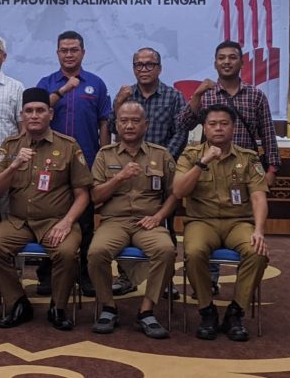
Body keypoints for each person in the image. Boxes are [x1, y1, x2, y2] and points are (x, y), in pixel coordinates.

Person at [0, 87, 92, 331]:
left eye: (40, 110)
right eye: (29, 111)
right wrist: (14, 166)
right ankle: (18, 302)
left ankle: (59, 307)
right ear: (22, 115)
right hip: (18, 221)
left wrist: (67, 222)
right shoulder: (10, 145)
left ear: (50, 114)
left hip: (56, 220)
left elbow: (83, 194)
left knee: (66, 253)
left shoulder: (68, 146)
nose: (34, 115)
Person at [174, 104, 269, 342]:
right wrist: (203, 162)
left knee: (256, 252)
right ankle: (207, 311)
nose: (218, 128)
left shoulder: (247, 158)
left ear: (233, 128)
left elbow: (258, 197)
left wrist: (259, 231)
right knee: (193, 252)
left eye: (224, 124)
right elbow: (178, 191)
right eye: (212, 124)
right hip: (201, 221)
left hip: (238, 222)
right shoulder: (190, 155)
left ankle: (236, 313)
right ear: (204, 128)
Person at [87, 101, 177, 338]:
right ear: (116, 125)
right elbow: (95, 197)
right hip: (114, 221)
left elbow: (174, 195)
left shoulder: (161, 154)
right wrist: (118, 178)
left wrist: (158, 217)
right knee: (96, 252)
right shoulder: (104, 155)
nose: (129, 125)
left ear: (145, 125)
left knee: (166, 250)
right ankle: (108, 307)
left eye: (135, 121)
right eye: (124, 121)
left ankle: (147, 311)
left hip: (148, 221)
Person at [35, 30, 111, 297]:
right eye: (64, 50)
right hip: (49, 164)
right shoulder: (46, 83)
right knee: (47, 217)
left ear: (83, 53)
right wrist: (63, 89)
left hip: (87, 160)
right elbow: (39, 110)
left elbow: (105, 120)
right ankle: (46, 276)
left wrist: (103, 154)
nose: (69, 54)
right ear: (57, 53)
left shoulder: (96, 84)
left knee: (87, 222)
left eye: (74, 49)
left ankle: (86, 275)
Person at [109, 47, 187, 297]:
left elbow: (181, 131)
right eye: (139, 65)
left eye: (149, 64)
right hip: (128, 167)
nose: (144, 69)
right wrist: (118, 104)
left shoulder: (173, 96)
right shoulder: (126, 95)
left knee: (164, 224)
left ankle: (166, 280)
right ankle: (126, 276)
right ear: (133, 68)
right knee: (126, 217)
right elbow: (114, 127)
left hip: (162, 169)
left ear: (159, 68)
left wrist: (163, 159)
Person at [177, 40, 281, 185]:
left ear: (242, 63)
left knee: (246, 207)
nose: (226, 62)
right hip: (210, 168)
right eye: (221, 58)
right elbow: (183, 124)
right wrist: (196, 95)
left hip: (246, 168)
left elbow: (268, 135)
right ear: (215, 64)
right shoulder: (206, 94)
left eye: (232, 57)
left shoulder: (256, 95)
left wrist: (272, 171)